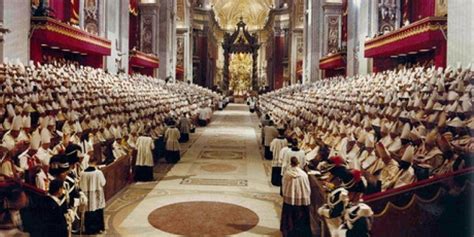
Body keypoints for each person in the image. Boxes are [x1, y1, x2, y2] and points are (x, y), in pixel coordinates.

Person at [280, 157, 312, 237]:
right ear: (298, 163)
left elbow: (283, 185)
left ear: (291, 163)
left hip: (289, 198)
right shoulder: (303, 175)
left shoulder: (287, 174)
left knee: (289, 216)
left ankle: (288, 232)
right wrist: (307, 196)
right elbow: (307, 187)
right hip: (301, 200)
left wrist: (286, 193)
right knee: (300, 217)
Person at [79, 158, 106, 234]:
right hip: (97, 194)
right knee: (97, 210)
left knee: (88, 212)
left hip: (86, 194)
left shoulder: (82, 173)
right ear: (95, 162)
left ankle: (89, 229)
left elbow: (80, 185)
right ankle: (98, 228)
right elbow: (103, 183)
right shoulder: (98, 172)